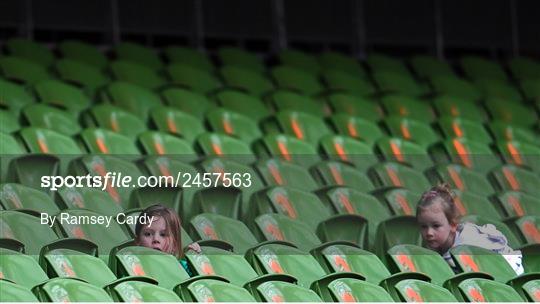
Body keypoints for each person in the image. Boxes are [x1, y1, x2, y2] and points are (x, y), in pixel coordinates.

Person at [416, 183, 524, 275]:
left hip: (508, 268)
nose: (429, 233)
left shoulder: (470, 242)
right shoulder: (432, 246)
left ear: (453, 225)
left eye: (436, 226)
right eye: (423, 226)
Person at [134, 204, 201, 276]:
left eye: (163, 235)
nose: (156, 239)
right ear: (138, 241)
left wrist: (194, 263)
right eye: (148, 234)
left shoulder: (183, 269)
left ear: (175, 243)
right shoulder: (133, 268)